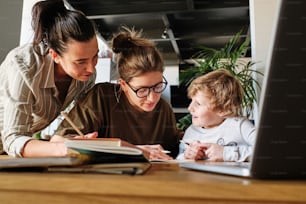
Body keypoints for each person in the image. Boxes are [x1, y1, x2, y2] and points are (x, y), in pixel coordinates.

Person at [55, 26, 181, 160]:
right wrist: (132, 150)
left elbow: (175, 148)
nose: (152, 98)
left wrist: (192, 147)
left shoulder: (163, 110)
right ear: (123, 85)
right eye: (142, 90)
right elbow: (57, 141)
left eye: (158, 86)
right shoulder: (102, 97)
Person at [0, 0, 99, 157]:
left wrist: (66, 141)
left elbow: (67, 126)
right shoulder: (23, 65)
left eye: (95, 56)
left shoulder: (85, 77)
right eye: (80, 62)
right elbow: (13, 138)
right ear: (55, 55)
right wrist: (63, 149)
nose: (91, 69)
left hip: (10, 152)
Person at [176, 69, 256, 162]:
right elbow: (178, 159)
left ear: (223, 109)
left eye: (198, 104)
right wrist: (187, 156)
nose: (190, 108)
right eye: (191, 101)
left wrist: (225, 153)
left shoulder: (239, 126)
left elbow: (268, 151)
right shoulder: (191, 131)